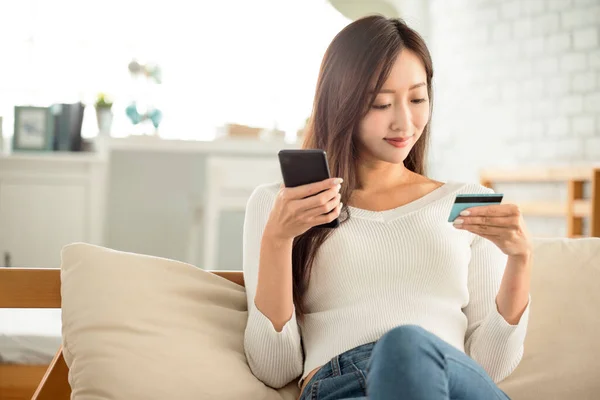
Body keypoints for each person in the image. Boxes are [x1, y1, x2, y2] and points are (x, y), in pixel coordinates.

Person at [242, 15, 531, 400]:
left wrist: (520, 260)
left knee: (409, 345)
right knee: (405, 345)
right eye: (380, 103)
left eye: (417, 99)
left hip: (451, 384)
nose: (405, 122)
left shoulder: (463, 201)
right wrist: (278, 239)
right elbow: (274, 368)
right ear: (340, 102)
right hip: (341, 386)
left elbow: (490, 366)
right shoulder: (283, 206)